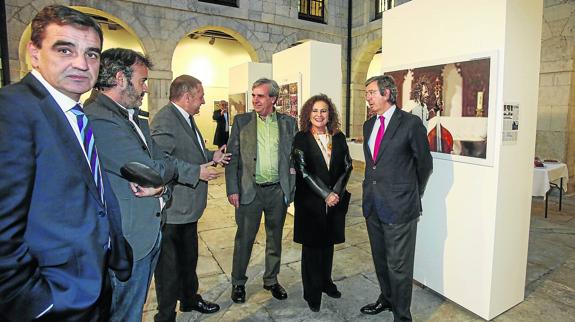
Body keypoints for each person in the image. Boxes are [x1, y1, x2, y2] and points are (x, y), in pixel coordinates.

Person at [0, 5, 132, 321]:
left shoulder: (73, 113)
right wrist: (38, 302)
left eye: (92, 54)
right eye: (65, 49)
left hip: (91, 282)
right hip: (55, 299)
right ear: (34, 53)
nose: (81, 63)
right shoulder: (13, 110)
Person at [84, 48, 222, 322]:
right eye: (142, 81)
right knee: (126, 310)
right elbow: (153, 167)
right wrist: (167, 174)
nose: (146, 88)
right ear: (121, 78)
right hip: (130, 234)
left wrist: (162, 185)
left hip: (153, 220)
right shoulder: (100, 118)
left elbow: (158, 166)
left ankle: (185, 301)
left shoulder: (133, 116)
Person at [150, 75, 228, 321]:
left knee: (188, 260)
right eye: (200, 96)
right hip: (174, 211)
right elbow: (160, 160)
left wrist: (212, 155)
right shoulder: (165, 120)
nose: (204, 101)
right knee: (169, 269)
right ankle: (165, 315)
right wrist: (197, 172)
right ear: (186, 97)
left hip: (188, 211)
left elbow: (190, 150)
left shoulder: (185, 118)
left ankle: (189, 300)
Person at [361, 75, 433, 321]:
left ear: (387, 94)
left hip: (400, 208)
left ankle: (402, 316)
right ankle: (387, 299)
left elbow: (425, 165)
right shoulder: (369, 125)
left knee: (399, 267)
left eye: (371, 92)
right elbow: (373, 166)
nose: (367, 98)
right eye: (367, 93)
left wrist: (413, 193)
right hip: (373, 205)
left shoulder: (410, 124)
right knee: (381, 261)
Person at [225, 78, 297, 303]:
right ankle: (238, 282)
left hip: (277, 191)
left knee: (274, 238)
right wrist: (232, 189)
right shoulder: (241, 121)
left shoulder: (288, 123)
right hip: (249, 191)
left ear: (273, 99)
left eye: (260, 96)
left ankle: (271, 280)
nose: (255, 100)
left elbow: (294, 156)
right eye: (253, 95)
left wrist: (291, 186)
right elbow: (232, 158)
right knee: (244, 239)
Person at [291, 94, 353, 312]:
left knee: (328, 245)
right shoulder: (301, 137)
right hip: (310, 202)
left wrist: (335, 192)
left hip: (334, 201)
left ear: (330, 114)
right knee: (312, 249)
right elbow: (303, 171)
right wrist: (325, 194)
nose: (319, 115)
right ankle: (312, 292)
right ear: (309, 114)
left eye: (324, 111)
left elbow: (347, 166)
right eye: (315, 111)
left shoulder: (338, 137)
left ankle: (326, 283)